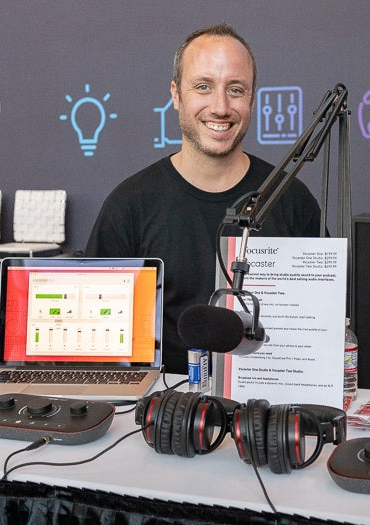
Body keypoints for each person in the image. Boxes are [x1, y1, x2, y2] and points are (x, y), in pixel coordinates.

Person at [85, 24, 322, 374]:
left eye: (236, 90)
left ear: (252, 98)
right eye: (203, 87)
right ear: (176, 94)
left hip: (270, 408)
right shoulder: (129, 205)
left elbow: (322, 325)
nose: (221, 107)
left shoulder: (292, 199)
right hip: (161, 410)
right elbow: (95, 332)